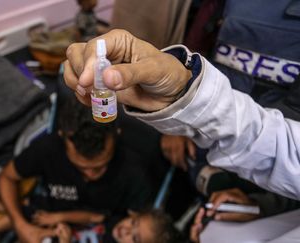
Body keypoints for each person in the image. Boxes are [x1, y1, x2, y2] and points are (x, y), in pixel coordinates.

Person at [63, 29, 300, 200]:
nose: (91, 175)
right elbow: (274, 144)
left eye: (96, 167)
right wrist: (183, 93)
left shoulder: (134, 175)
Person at [0, 98, 154, 242]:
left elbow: (138, 227)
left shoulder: (135, 173)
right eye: (81, 168)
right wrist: (21, 226)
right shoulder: (48, 149)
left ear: (117, 133)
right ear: (63, 137)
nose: (91, 175)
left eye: (100, 166)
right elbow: (7, 178)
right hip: (44, 218)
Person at [53, 210, 185, 243]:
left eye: (135, 238)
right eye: (134, 223)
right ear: (133, 214)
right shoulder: (113, 219)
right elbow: (90, 217)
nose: (126, 230)